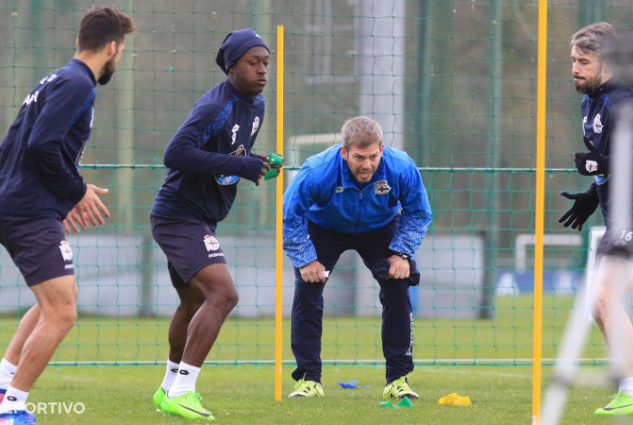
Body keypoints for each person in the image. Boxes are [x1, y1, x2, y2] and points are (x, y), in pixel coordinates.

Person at [0, 6, 134, 425]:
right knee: (62, 312)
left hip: (21, 205)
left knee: (59, 302)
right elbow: (40, 146)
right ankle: (10, 411)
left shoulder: (57, 78)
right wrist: (74, 191)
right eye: (122, 52)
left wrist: (57, 199)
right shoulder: (77, 83)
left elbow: (16, 145)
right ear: (113, 48)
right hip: (25, 211)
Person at [149, 28, 277, 420]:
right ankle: (185, 389)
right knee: (224, 295)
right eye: (253, 63)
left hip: (202, 216)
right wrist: (241, 165)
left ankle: (168, 389)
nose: (262, 71)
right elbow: (176, 154)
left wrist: (256, 166)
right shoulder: (214, 105)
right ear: (232, 65)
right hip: (178, 214)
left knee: (193, 302)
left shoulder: (256, 105)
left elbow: (232, 153)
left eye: (266, 63)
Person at [558, 22, 633, 416]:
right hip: (620, 215)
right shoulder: (590, 101)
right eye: (573, 59)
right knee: (599, 304)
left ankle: (628, 392)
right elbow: (612, 163)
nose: (575, 67)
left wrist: (599, 164)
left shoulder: (621, 99)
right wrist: (593, 195)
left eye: (583, 61)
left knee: (605, 298)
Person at [282, 116, 432, 399]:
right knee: (307, 289)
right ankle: (308, 380)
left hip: (380, 227)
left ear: (382, 150)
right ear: (344, 152)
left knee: (399, 286)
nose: (367, 165)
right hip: (324, 227)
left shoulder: (401, 167)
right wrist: (305, 259)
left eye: (373, 157)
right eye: (359, 157)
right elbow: (291, 216)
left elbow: (419, 213)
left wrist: (401, 253)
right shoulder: (317, 171)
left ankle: (398, 379)